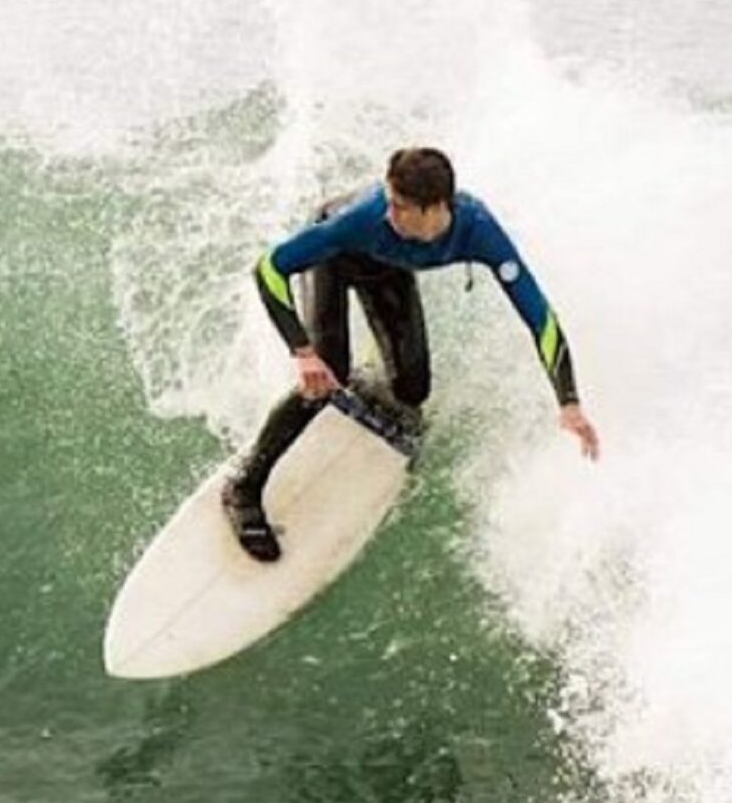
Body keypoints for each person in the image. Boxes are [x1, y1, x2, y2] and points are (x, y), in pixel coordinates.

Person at [222, 147, 600, 562]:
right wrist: (303, 351)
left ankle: (366, 386)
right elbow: (269, 269)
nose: (389, 213)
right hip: (334, 261)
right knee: (328, 376)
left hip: (388, 268)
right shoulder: (362, 218)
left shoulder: (478, 230)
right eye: (388, 200)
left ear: (435, 208)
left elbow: (540, 318)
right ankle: (243, 487)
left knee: (412, 391)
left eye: (400, 207)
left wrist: (568, 402)